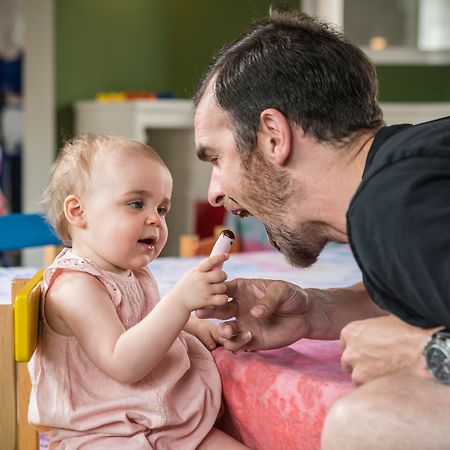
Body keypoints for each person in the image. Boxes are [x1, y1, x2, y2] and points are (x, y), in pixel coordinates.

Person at [192, 9, 450, 450]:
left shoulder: (396, 205)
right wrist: (319, 310)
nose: (215, 193)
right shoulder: (405, 181)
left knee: (366, 421)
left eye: (216, 158)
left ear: (273, 136)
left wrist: (428, 354)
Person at [29, 134, 249, 449]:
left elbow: (141, 317)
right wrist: (180, 302)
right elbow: (123, 361)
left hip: (166, 426)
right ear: (78, 212)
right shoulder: (74, 287)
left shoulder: (132, 273)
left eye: (162, 209)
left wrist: (196, 325)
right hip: (102, 436)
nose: (154, 220)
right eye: (136, 204)